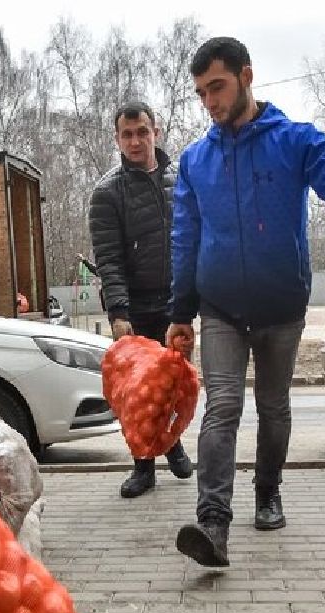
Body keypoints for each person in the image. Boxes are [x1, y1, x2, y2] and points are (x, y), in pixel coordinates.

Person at [166, 37, 325, 567]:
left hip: (281, 306)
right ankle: (213, 523)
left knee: (272, 406)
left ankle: (268, 493)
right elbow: (184, 237)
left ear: (246, 75)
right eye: (201, 94)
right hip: (219, 306)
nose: (211, 102)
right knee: (221, 408)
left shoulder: (296, 141)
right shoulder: (196, 160)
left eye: (217, 87)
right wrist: (179, 313)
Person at [88, 100, 195, 499]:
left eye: (142, 132)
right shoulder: (107, 193)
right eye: (127, 135)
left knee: (173, 386)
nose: (136, 141)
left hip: (177, 303)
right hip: (134, 308)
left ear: (156, 132)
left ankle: (172, 441)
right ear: (118, 139)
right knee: (137, 394)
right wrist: (118, 312)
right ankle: (143, 468)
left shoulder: (182, 179)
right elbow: (109, 258)